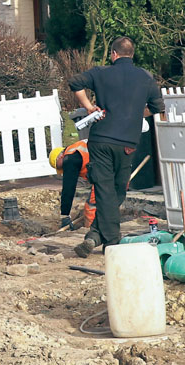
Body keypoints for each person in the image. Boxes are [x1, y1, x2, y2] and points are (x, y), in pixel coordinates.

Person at [67, 36, 163, 257]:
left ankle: (96, 236)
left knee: (106, 190)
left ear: (113, 54)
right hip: (127, 144)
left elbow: (75, 82)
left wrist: (90, 107)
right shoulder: (145, 77)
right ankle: (111, 240)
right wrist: (136, 113)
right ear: (132, 54)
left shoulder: (101, 72)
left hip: (101, 140)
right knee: (117, 190)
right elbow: (156, 107)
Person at [49, 141, 93, 230]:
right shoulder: (77, 150)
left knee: (91, 206)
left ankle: (92, 231)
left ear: (60, 157)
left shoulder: (70, 158)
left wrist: (65, 215)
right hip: (113, 166)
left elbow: (68, 188)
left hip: (107, 171)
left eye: (60, 166)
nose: (63, 169)